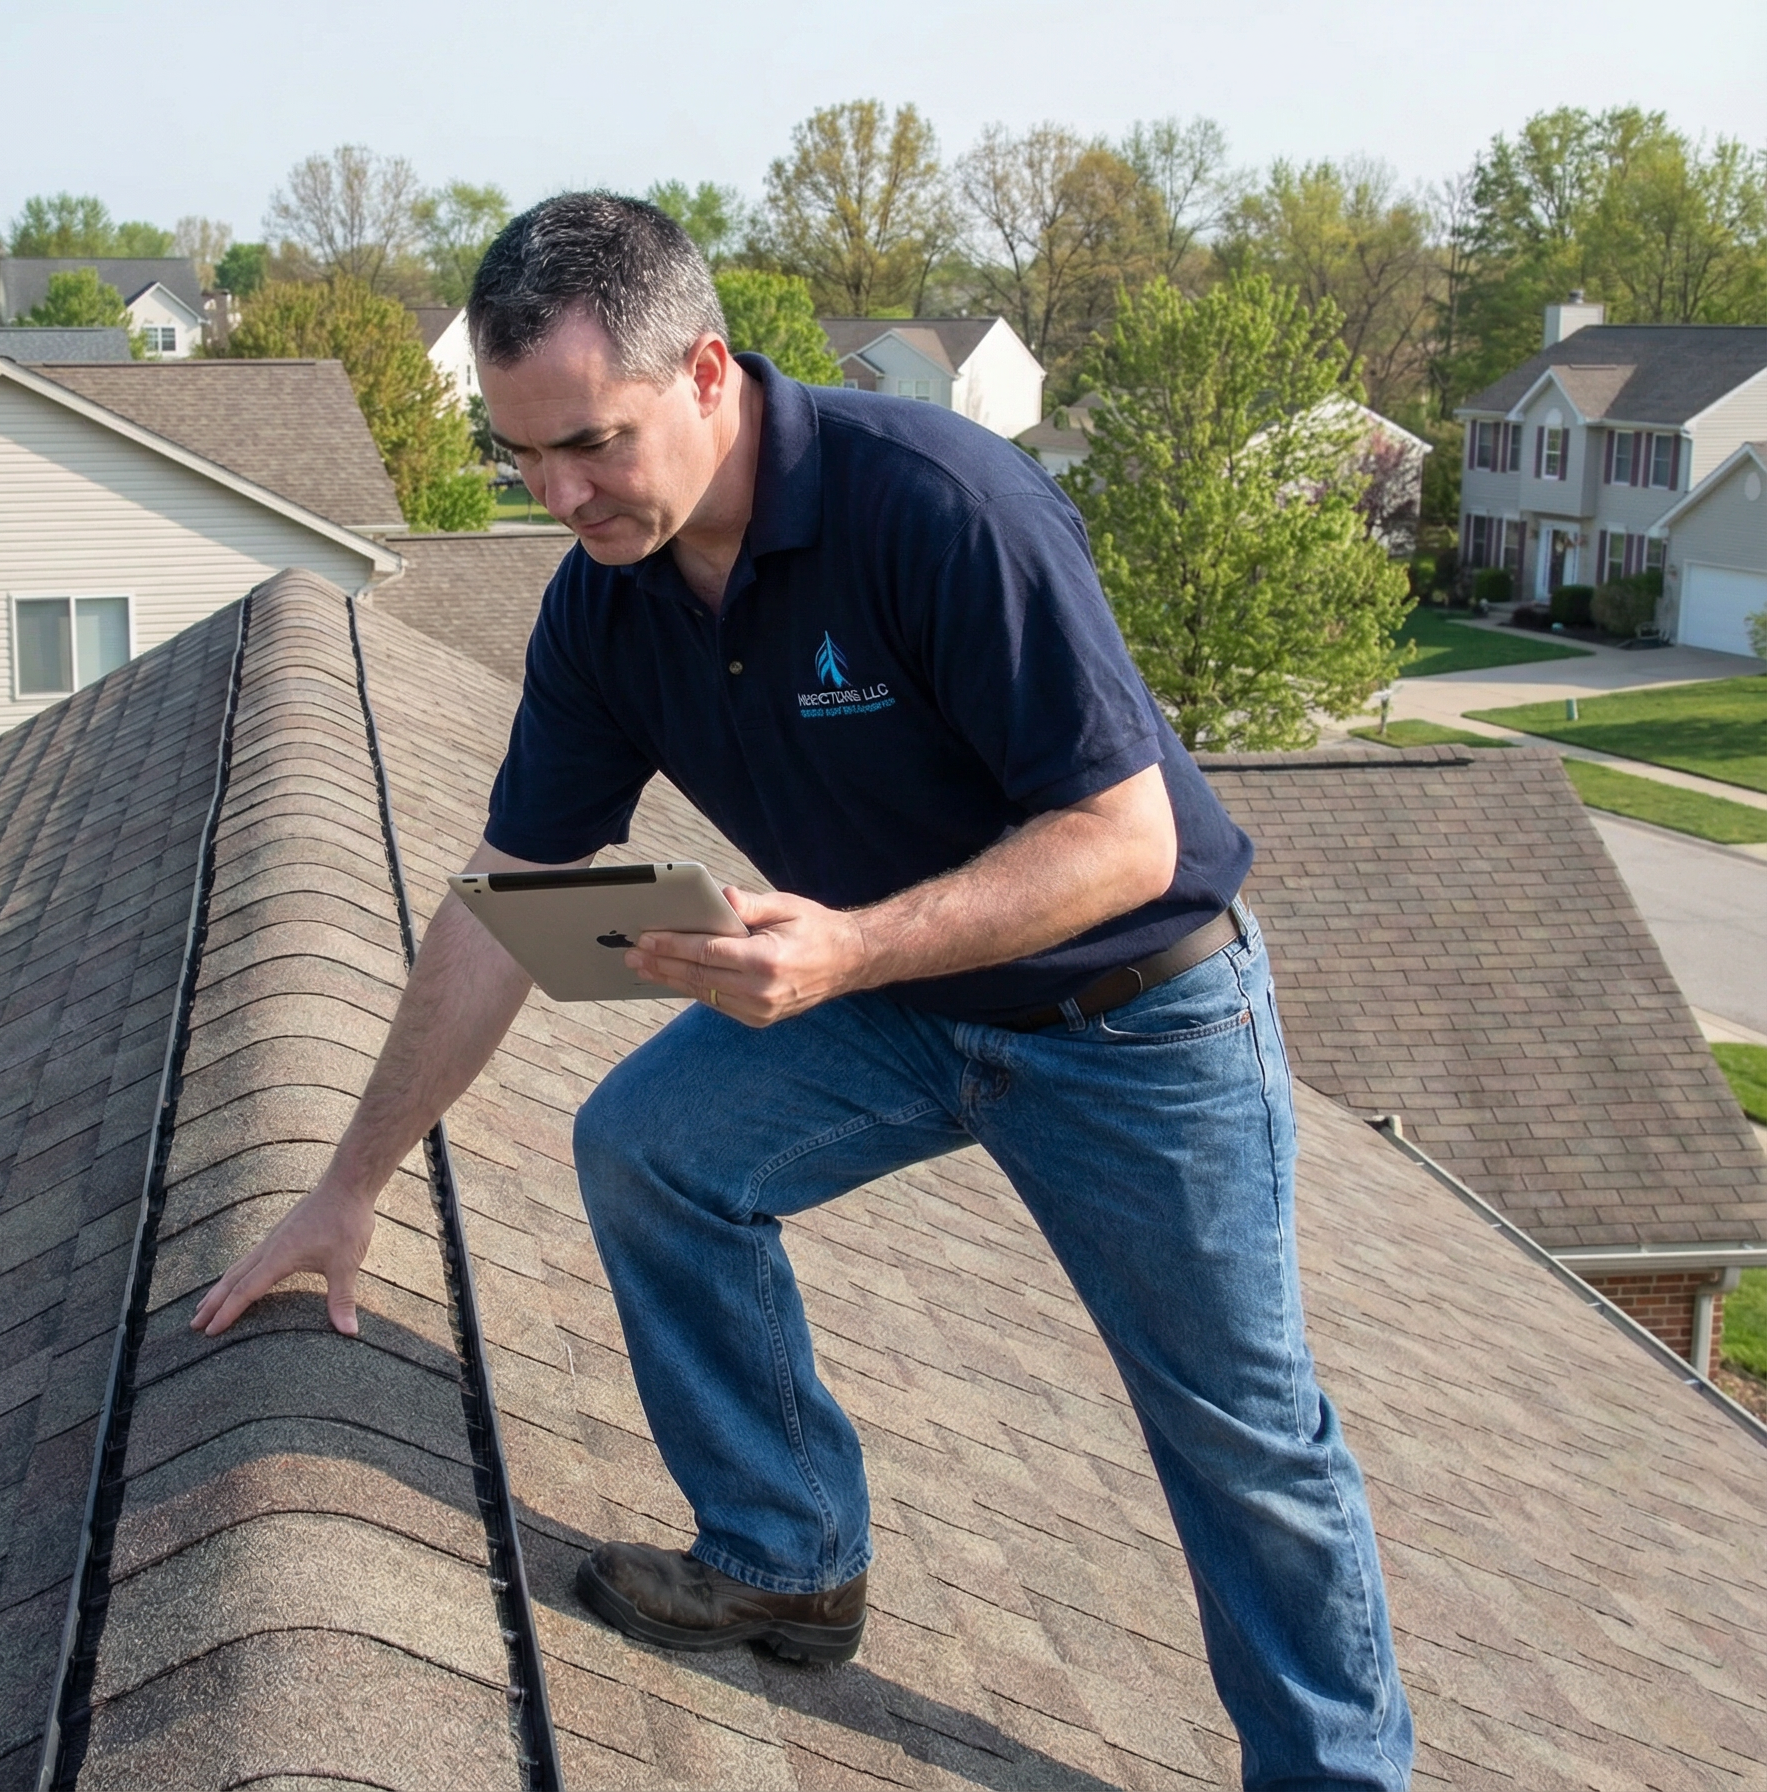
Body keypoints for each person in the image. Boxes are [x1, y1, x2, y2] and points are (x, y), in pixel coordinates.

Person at [194, 193, 1413, 1789]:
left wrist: (848, 951)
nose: (561, 495)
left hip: (1137, 1018)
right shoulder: (605, 607)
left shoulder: (939, 507)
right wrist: (351, 1184)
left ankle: (1335, 1775)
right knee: (654, 1147)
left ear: (706, 372)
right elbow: (503, 911)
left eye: (594, 443)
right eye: (523, 457)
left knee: (1240, 1435)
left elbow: (1131, 842)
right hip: (902, 998)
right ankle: (785, 1552)